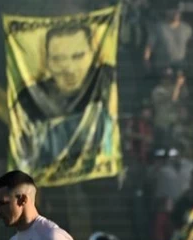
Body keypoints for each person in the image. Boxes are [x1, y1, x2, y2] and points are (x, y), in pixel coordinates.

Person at [13, 24, 117, 170]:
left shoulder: (106, 84)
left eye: (78, 56)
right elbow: (24, 156)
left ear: (93, 55)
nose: (68, 68)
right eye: (58, 59)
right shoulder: (27, 102)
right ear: (47, 62)